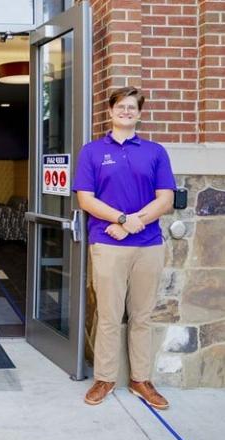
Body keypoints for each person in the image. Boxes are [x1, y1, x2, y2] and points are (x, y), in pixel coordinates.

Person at [73, 87, 176, 410]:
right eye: (121, 106)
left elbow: (166, 199)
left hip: (148, 246)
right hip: (107, 244)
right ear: (111, 111)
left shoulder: (155, 151)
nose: (126, 111)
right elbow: (85, 199)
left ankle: (140, 380)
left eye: (132, 107)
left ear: (139, 114)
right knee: (108, 315)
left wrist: (134, 223)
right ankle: (104, 379)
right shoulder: (91, 152)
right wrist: (119, 218)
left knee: (142, 317)